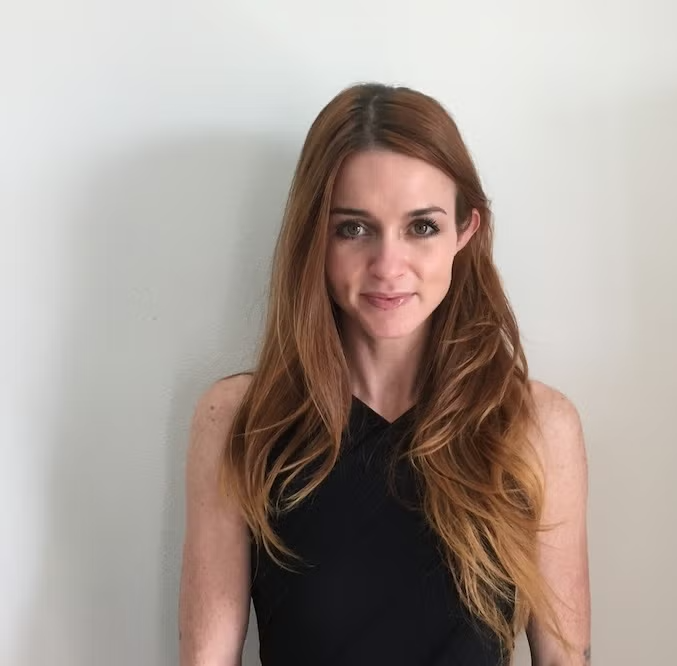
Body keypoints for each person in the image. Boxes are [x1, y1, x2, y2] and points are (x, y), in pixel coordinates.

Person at [178, 82, 590, 666]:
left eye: (421, 227)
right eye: (353, 228)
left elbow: (565, 659)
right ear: (314, 236)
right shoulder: (241, 421)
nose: (388, 267)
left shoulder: (538, 426)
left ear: (464, 233)